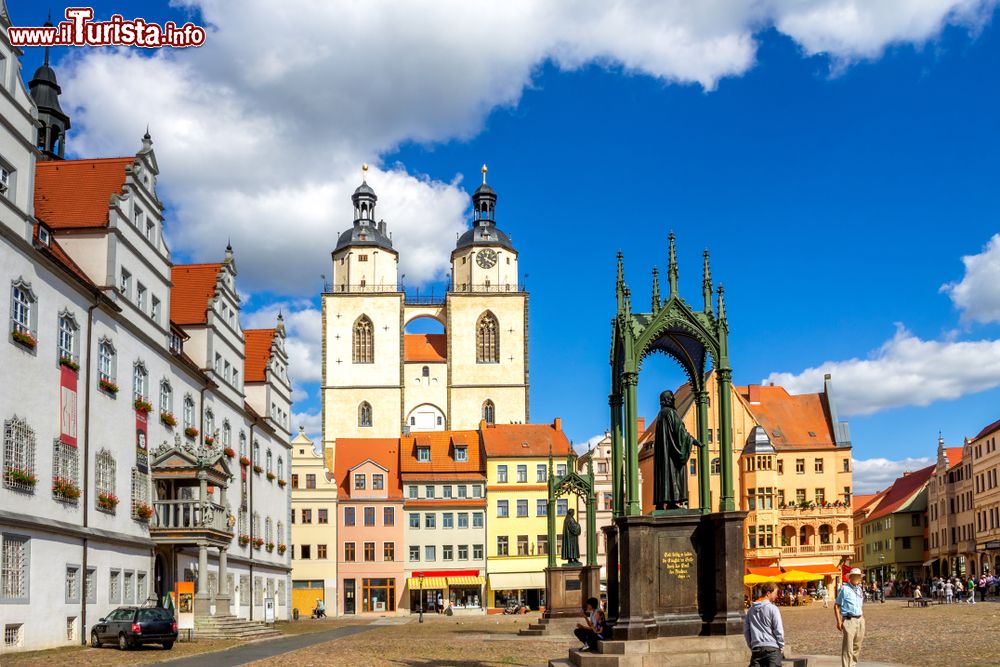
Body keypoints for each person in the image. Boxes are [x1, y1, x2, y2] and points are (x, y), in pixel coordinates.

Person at [744, 581, 785, 667]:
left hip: (757, 649)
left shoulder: (750, 610)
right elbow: (778, 629)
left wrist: (752, 645)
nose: (776, 596)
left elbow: (746, 631)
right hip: (772, 649)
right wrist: (781, 646)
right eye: (775, 593)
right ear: (768, 593)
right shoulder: (773, 609)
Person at [835, 567, 866, 667]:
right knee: (848, 648)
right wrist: (839, 621)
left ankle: (853, 665)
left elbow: (859, 605)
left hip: (860, 620)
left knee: (857, 647)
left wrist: (862, 617)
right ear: (850, 577)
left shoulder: (859, 589)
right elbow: (836, 606)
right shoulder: (844, 589)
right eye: (856, 576)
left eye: (859, 576)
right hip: (849, 620)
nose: (858, 578)